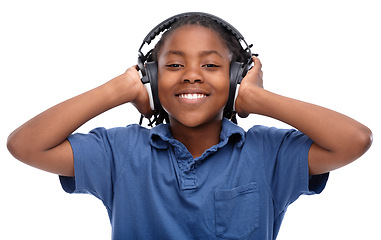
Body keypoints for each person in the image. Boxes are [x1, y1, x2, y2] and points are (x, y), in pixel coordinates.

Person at [7, 12, 372, 239]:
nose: (193, 76)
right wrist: (119, 88)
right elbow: (26, 145)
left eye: (212, 66)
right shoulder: (118, 152)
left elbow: (354, 140)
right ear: (150, 76)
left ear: (236, 77)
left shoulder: (269, 153)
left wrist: (256, 98)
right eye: (174, 65)